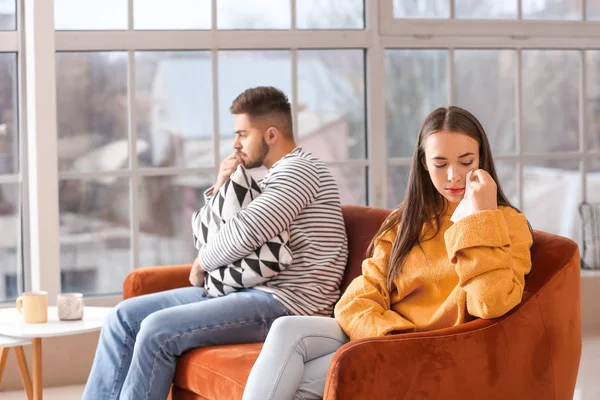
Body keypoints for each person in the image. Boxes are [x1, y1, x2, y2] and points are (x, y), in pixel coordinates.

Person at [242, 105, 533, 400]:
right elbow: (359, 296)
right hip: (386, 336)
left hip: (432, 347)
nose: (454, 176)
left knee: (302, 384)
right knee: (285, 328)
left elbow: (491, 303)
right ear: (423, 163)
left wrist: (478, 218)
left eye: (466, 161)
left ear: (481, 158)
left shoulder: (506, 223)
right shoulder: (405, 220)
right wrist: (389, 336)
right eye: (440, 163)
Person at [82, 86, 348, 400]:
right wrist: (220, 186)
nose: (235, 144)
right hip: (246, 289)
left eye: (242, 134)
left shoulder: (300, 171)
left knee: (157, 330)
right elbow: (204, 234)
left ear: (271, 135)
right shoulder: (268, 179)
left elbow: (247, 232)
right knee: (122, 318)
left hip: (285, 303)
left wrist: (202, 264)